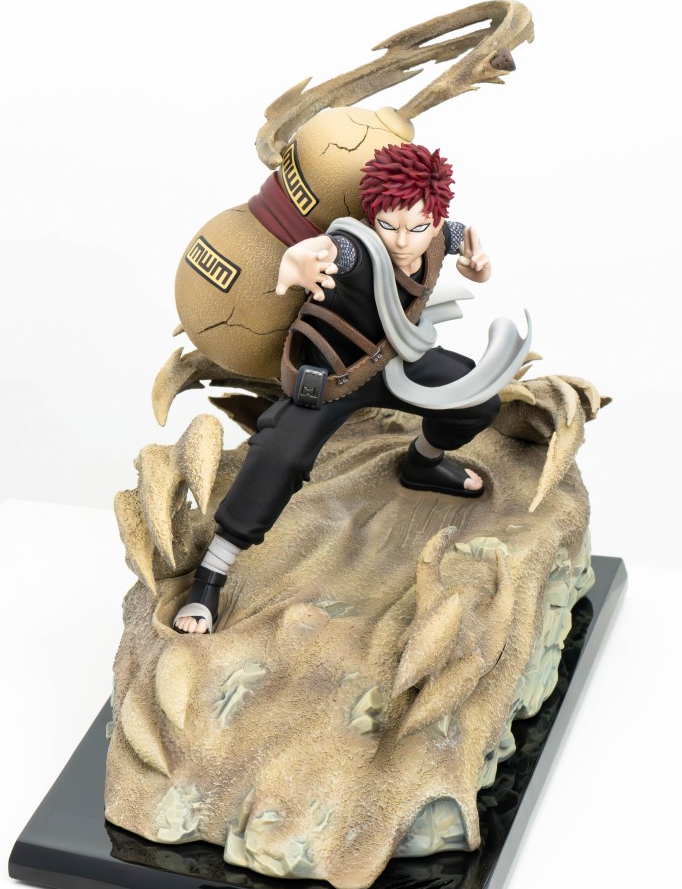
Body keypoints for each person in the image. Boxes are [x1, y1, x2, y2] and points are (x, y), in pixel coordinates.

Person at [174, 143, 523, 634]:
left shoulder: (442, 234)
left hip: (400, 363)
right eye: (389, 225)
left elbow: (464, 237)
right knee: (279, 456)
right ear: (372, 216)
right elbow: (320, 249)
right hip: (334, 377)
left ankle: (422, 463)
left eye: (417, 227)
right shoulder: (356, 248)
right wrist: (296, 263)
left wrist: (479, 263)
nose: (402, 241)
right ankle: (211, 576)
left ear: (435, 219)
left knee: (475, 398)